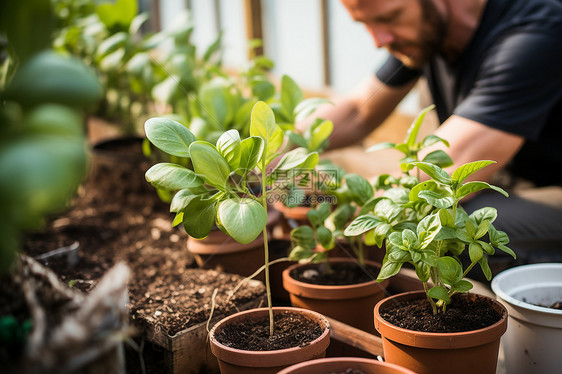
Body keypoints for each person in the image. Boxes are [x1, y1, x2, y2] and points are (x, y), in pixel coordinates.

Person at [303, 0, 562, 280]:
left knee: (450, 229)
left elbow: (443, 177)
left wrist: (340, 205)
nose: (379, 40)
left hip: (551, 188)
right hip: (504, 175)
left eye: (390, 17)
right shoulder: (428, 31)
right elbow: (357, 111)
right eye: (366, 24)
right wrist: (278, 151)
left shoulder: (536, 33)